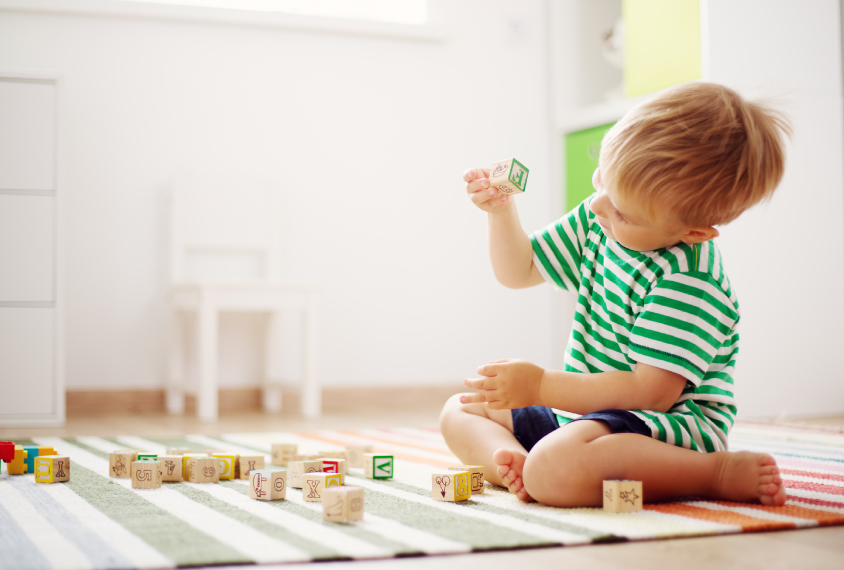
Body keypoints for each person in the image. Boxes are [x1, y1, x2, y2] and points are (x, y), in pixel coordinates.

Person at [440, 82, 791, 508]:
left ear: (693, 232)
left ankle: (714, 472)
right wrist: (501, 212)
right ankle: (518, 465)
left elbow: (650, 394)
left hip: (663, 429)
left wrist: (540, 385)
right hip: (584, 418)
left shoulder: (690, 280)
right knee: (461, 408)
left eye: (622, 211)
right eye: (601, 178)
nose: (598, 207)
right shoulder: (602, 217)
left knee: (558, 466)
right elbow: (521, 270)